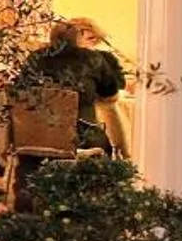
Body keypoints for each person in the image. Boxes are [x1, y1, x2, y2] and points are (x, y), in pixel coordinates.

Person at [21, 17, 125, 148]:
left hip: (37, 134)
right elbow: (110, 92)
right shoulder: (92, 59)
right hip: (82, 136)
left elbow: (22, 89)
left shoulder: (35, 57)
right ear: (77, 37)